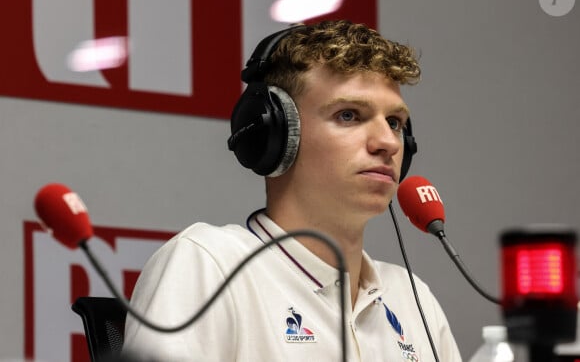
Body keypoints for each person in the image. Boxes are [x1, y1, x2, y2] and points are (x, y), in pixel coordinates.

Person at [122, 20, 462, 362]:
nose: (388, 142)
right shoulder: (209, 264)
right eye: (349, 115)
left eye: (394, 122)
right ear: (275, 134)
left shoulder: (412, 296)